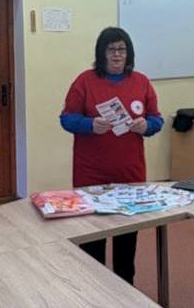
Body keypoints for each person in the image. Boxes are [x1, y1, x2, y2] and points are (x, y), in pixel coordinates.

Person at [60, 27, 163, 283]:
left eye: (122, 49)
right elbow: (66, 118)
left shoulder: (141, 82)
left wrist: (146, 126)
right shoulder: (85, 81)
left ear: (129, 54)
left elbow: (157, 120)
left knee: (126, 243)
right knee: (92, 243)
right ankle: (93, 290)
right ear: (102, 53)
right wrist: (89, 125)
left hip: (129, 175)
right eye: (111, 49)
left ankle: (125, 287)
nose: (117, 55)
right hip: (91, 175)